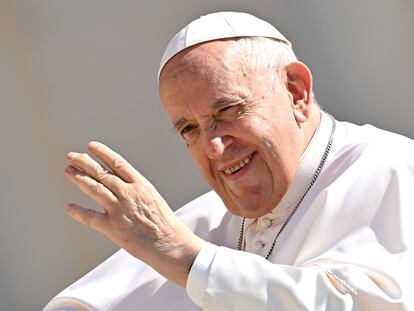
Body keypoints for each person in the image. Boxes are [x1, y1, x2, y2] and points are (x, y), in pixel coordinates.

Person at [44, 11, 413, 311]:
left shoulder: (388, 167)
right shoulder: (202, 220)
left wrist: (191, 261)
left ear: (296, 92)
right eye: (189, 129)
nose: (214, 148)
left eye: (229, 110)